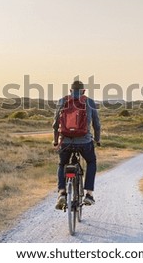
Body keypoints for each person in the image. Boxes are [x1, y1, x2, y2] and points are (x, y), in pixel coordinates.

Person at [52, 80, 101, 210]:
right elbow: (96, 124)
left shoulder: (62, 101)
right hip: (84, 142)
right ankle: (89, 194)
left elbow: (56, 124)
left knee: (62, 164)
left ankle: (62, 192)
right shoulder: (89, 102)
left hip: (66, 142)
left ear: (70, 91)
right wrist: (97, 139)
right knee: (91, 162)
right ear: (83, 91)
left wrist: (56, 140)